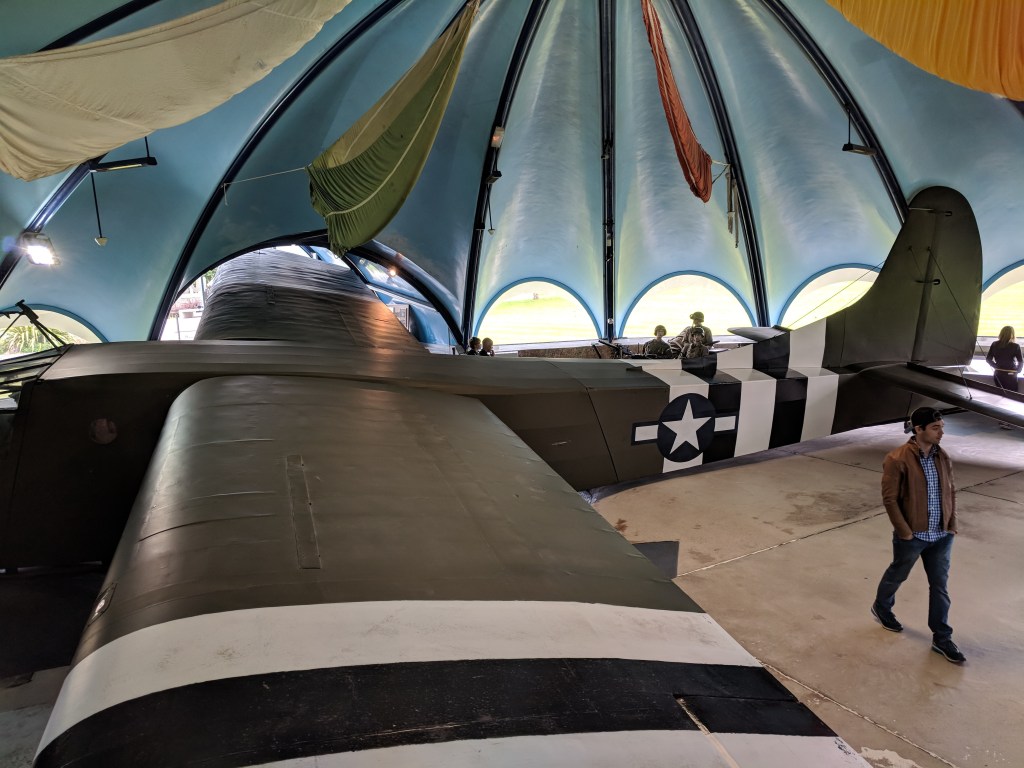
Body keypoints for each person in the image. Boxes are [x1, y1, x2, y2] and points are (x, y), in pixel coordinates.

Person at [872, 407, 964, 664]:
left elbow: (951, 491)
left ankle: (942, 637)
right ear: (919, 429)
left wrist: (951, 524)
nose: (941, 432)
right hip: (914, 535)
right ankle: (882, 607)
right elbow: (890, 499)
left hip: (942, 535)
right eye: (935, 428)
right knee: (898, 574)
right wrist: (905, 532)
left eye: (942, 427)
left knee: (940, 586)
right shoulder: (897, 459)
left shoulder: (942, 456)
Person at [985, 326, 1022, 429]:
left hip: (998, 374)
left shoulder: (994, 344)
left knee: (1001, 396)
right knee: (1011, 397)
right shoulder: (1015, 346)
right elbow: (1020, 361)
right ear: (1012, 334)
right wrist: (1018, 370)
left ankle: (1002, 420)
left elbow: (988, 359)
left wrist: (996, 366)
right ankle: (1008, 421)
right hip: (1011, 375)